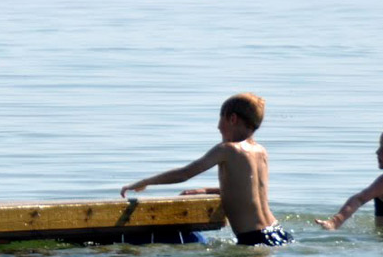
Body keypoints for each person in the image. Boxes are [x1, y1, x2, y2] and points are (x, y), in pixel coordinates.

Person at [121, 93, 292, 246]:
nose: (218, 127)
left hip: (253, 239)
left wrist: (145, 182)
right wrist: (205, 190)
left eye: (220, 120)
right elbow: (250, 192)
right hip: (276, 230)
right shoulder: (261, 151)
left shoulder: (227, 149)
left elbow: (184, 174)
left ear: (232, 119)